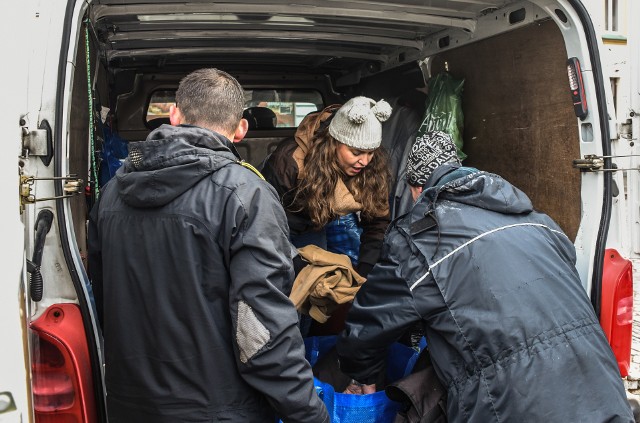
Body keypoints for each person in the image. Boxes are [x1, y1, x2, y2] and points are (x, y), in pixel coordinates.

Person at [336, 131, 635, 421]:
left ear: (417, 189)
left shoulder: (422, 242)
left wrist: (362, 375)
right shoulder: (541, 224)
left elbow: (369, 326)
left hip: (516, 406)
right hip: (603, 391)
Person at [88, 68, 329, 423]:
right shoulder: (247, 195)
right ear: (240, 129)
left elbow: (103, 301)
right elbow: (260, 332)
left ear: (174, 115)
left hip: (128, 403)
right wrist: (309, 414)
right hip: (220, 409)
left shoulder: (111, 194)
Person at [261, 96, 392, 334]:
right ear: (334, 143)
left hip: (313, 227)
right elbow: (264, 224)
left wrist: (363, 273)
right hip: (277, 227)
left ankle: (304, 345)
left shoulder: (371, 169)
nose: (364, 161)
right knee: (282, 297)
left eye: (371, 153)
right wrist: (298, 265)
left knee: (314, 298)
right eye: (356, 152)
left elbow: (378, 223)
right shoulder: (290, 162)